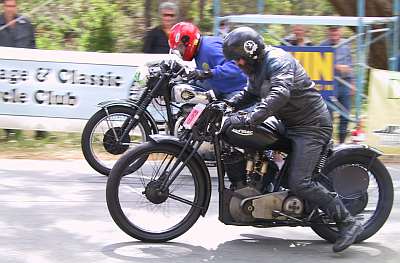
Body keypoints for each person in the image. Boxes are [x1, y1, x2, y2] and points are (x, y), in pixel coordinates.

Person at [222, 27, 363, 253]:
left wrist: (253, 117)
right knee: (249, 138)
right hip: (287, 123)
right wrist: (226, 105)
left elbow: (280, 94)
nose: (238, 64)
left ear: (252, 52)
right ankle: (262, 185)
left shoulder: (278, 60)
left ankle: (348, 221)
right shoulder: (255, 70)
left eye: (239, 59)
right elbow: (249, 94)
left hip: (311, 126)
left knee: (300, 182)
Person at [0, 0, 47, 139]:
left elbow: (33, 46)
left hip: (25, 72)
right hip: (4, 72)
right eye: (8, 6)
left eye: (13, 6)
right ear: (3, 6)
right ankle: (10, 132)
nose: (10, 9)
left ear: (16, 7)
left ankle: (40, 130)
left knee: (35, 97)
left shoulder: (25, 23)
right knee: (6, 99)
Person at [168, 22, 247, 100]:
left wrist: (207, 73)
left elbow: (237, 66)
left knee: (222, 110)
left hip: (237, 89)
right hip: (221, 87)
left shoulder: (209, 48)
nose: (180, 52)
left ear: (188, 42)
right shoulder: (199, 51)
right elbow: (205, 73)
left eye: (180, 47)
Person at [320, 26, 354, 144]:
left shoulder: (346, 44)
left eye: (336, 30)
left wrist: (352, 84)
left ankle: (342, 142)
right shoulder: (322, 45)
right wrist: (335, 66)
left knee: (345, 114)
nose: (334, 32)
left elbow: (351, 65)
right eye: (332, 30)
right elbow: (319, 67)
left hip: (345, 83)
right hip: (329, 85)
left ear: (340, 31)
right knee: (328, 115)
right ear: (328, 31)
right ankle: (328, 142)